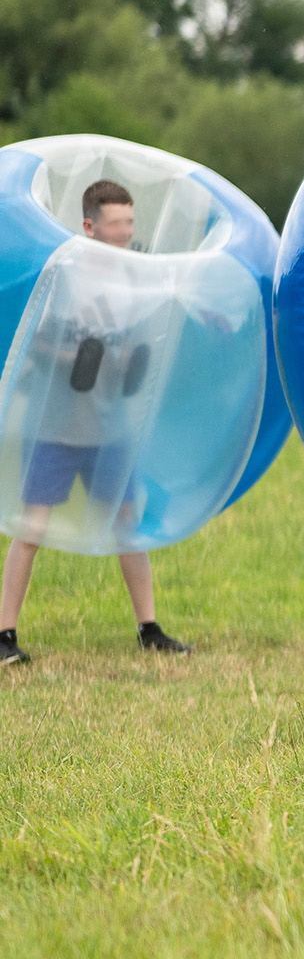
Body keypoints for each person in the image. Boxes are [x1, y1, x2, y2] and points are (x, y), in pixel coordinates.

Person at [0, 181, 190, 666]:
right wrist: (73, 356)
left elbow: (131, 349)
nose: (126, 232)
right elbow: (32, 344)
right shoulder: (64, 279)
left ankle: (149, 629)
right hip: (56, 427)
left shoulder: (134, 281)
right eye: (117, 224)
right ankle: (4, 635)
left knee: (127, 523)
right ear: (90, 226)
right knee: (33, 526)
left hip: (110, 429)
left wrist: (127, 362)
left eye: (130, 222)